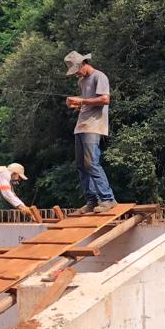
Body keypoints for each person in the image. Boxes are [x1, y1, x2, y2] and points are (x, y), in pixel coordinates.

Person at [64, 50, 117, 214]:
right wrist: (76, 104)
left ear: (83, 64)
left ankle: (108, 199)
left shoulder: (99, 76)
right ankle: (91, 201)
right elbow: (88, 102)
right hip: (81, 126)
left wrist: (82, 100)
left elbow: (104, 99)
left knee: (91, 163)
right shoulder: (81, 81)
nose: (76, 74)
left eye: (77, 70)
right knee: (81, 165)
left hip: (94, 126)